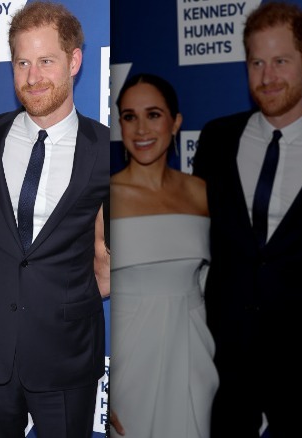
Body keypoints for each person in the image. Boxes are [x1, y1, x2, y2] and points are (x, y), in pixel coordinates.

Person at [0, 2, 110, 437]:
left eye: (46, 61)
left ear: (74, 61)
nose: (33, 76)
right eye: (22, 62)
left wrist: (66, 299)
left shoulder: (104, 149)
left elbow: (106, 255)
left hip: (66, 353)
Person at [192, 2, 302, 436]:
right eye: (257, 62)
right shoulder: (217, 139)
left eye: (281, 61)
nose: (267, 76)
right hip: (224, 351)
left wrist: (298, 296)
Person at [108, 73, 218, 438]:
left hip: (192, 353)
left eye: (153, 114)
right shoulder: (102, 197)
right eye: (129, 116)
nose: (141, 129)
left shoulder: (201, 193)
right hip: (129, 359)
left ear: (176, 122)